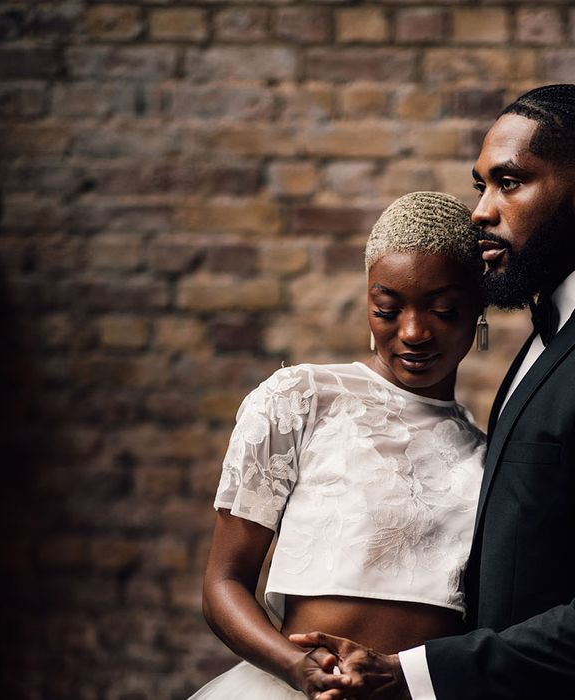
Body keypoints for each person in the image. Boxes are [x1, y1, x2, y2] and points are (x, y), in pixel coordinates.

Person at [290, 84, 575, 699]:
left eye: (510, 182)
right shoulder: (558, 334)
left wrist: (411, 672)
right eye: (481, 186)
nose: (481, 211)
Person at [189, 191, 488, 699]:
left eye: (443, 310)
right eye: (387, 309)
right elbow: (224, 584)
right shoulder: (301, 400)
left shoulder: (488, 451)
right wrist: (296, 668)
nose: (414, 332)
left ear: (478, 309)